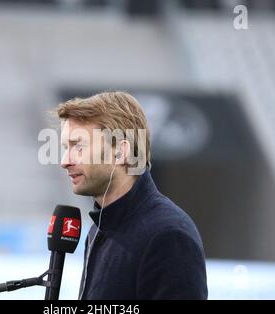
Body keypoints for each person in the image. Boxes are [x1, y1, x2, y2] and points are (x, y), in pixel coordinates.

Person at [55, 91, 208, 299]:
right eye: (66, 147)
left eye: (78, 146)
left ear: (121, 152)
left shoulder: (168, 235)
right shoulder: (99, 229)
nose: (65, 160)